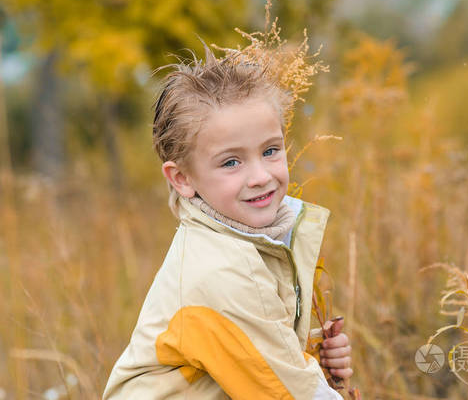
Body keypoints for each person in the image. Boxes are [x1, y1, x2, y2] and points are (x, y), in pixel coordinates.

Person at [103, 46, 352, 399]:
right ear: (182, 179)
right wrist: (307, 379)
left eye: (270, 151)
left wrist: (309, 356)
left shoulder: (242, 242)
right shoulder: (220, 271)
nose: (260, 176)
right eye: (231, 162)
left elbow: (249, 355)